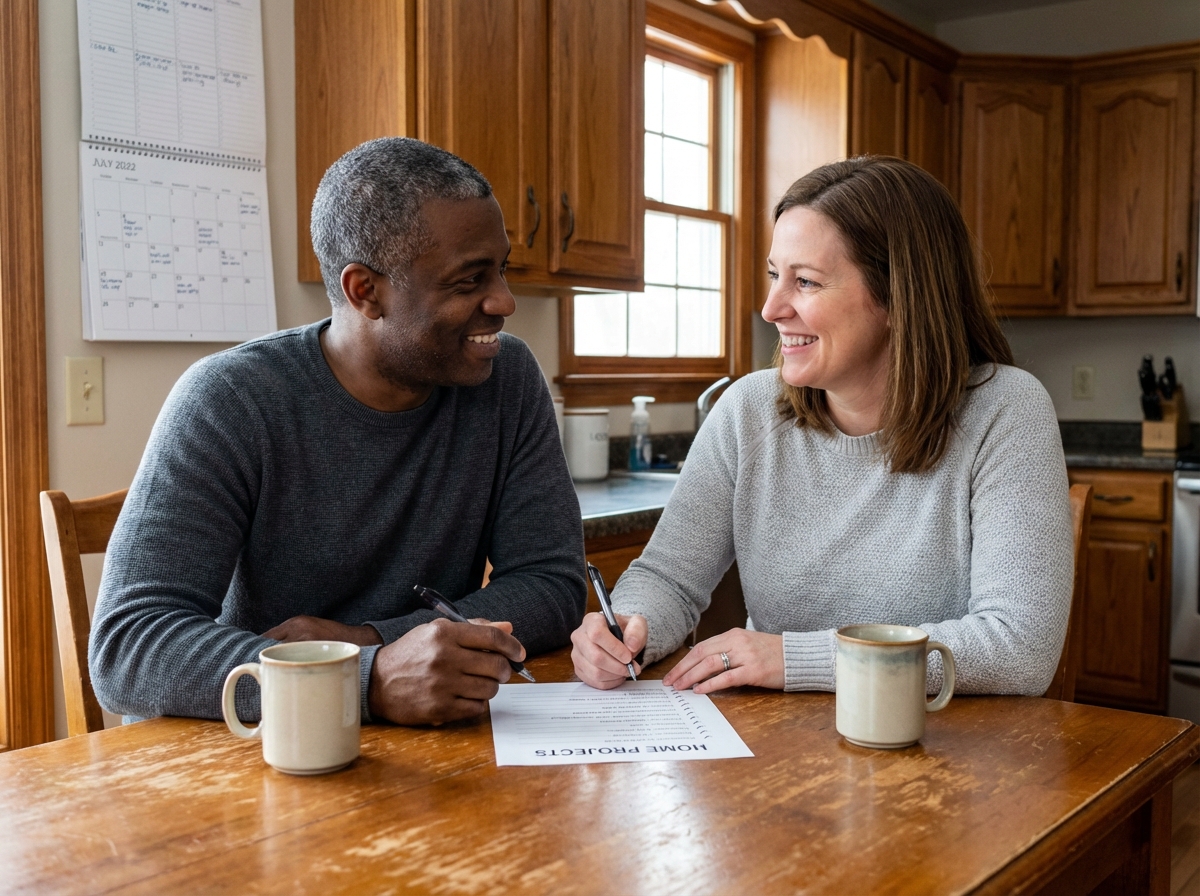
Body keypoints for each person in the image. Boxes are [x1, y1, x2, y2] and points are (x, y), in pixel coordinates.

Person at [90, 137, 586, 726]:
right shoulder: (229, 399)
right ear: (364, 291)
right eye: (469, 280)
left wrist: (369, 641)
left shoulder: (507, 378)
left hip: (426, 739)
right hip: (253, 743)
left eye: (500, 269)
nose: (503, 301)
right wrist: (362, 679)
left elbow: (551, 584)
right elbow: (128, 647)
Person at [572, 156, 1073, 697]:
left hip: (942, 738)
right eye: (774, 275)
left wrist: (794, 658)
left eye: (805, 281)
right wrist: (628, 627)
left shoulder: (1005, 410)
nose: (771, 308)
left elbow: (1019, 646)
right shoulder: (747, 411)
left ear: (898, 297)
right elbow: (668, 578)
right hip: (777, 738)